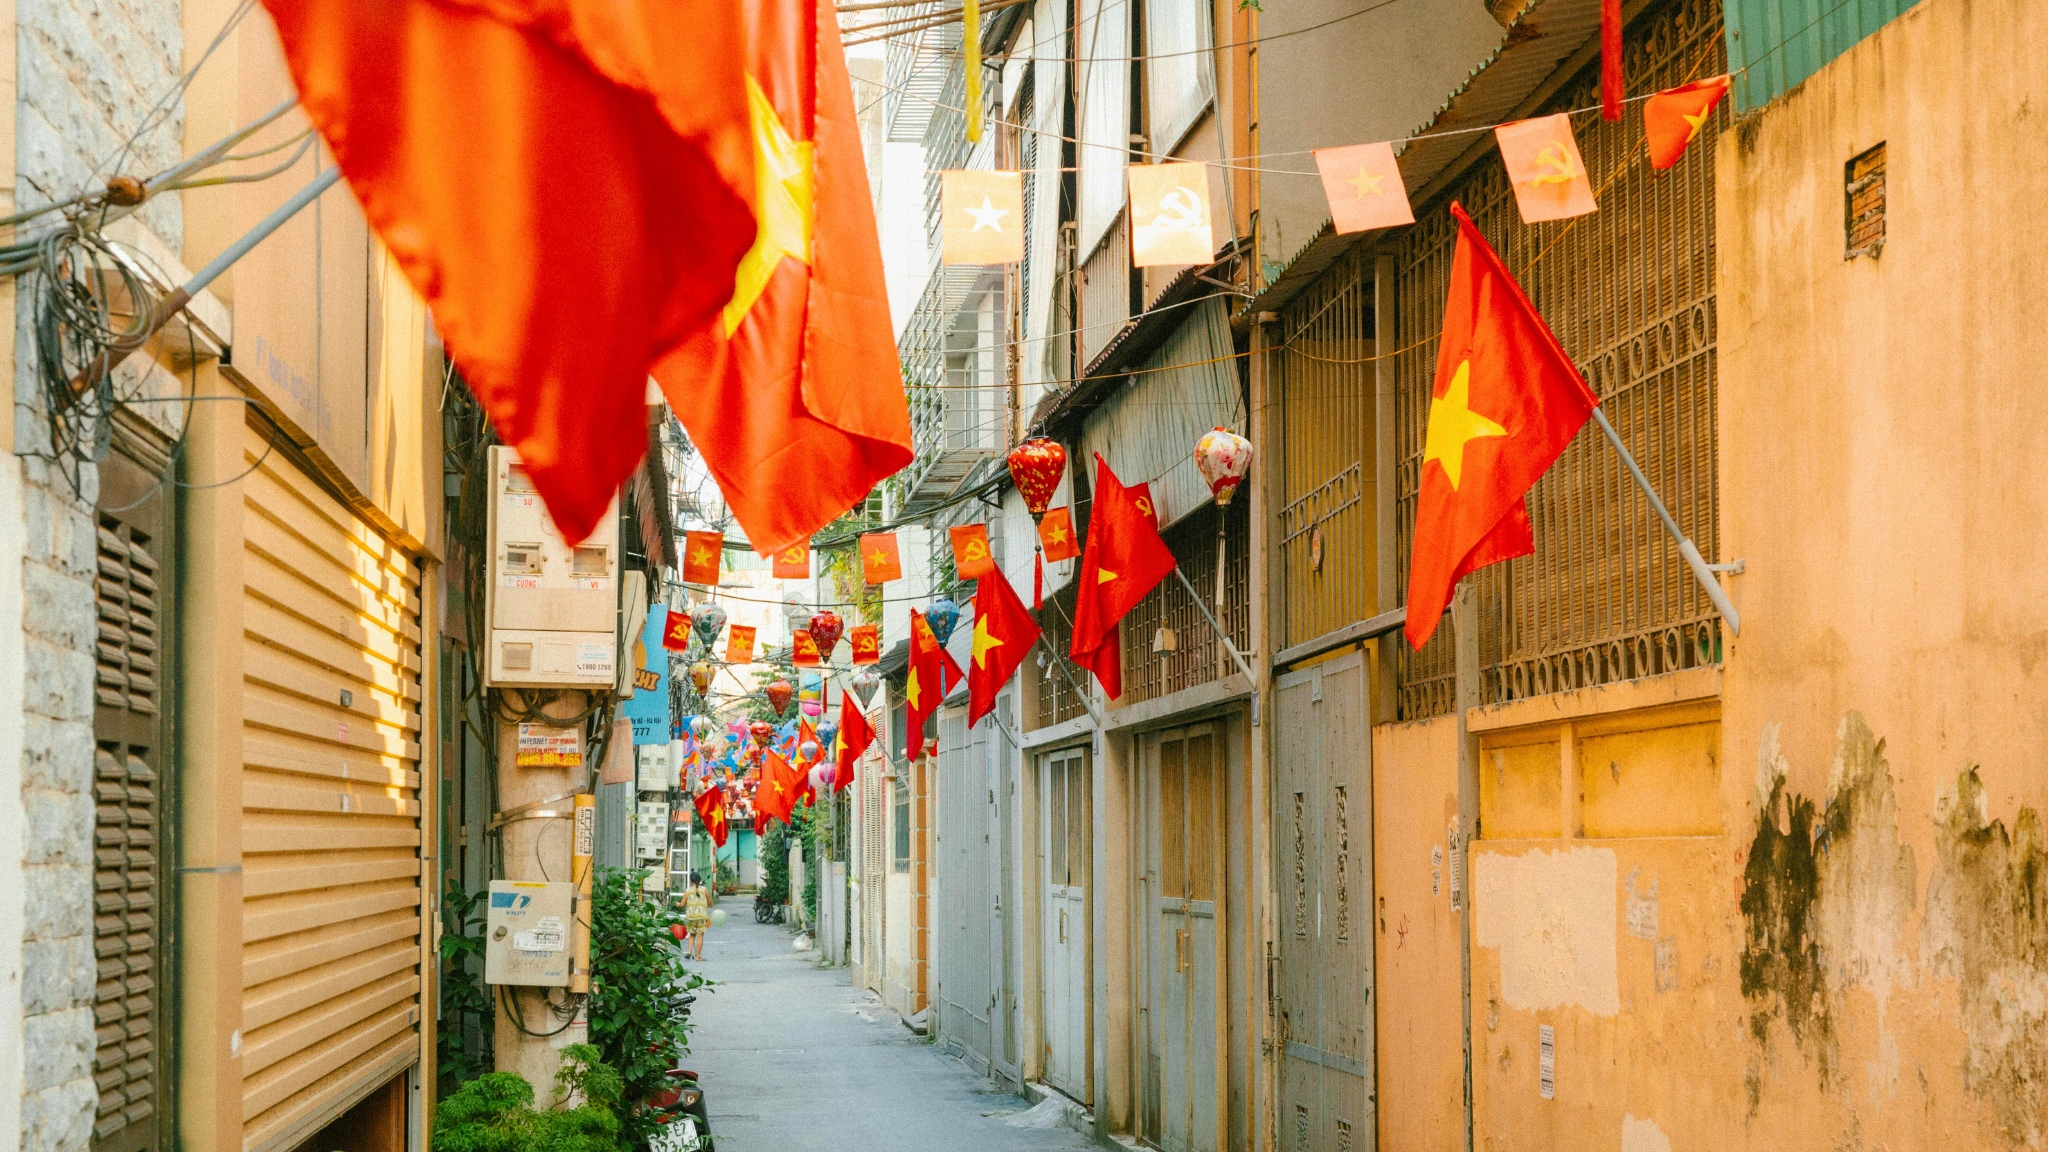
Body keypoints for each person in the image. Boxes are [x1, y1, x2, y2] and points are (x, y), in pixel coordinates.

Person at [682, 870, 713, 961]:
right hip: (701, 917)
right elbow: (710, 903)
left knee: (692, 934)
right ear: (699, 880)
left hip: (691, 917)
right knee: (700, 935)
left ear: (691, 881)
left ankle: (689, 951)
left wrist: (677, 904)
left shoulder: (688, 891)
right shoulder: (704, 890)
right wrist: (710, 905)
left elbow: (682, 904)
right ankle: (698, 956)